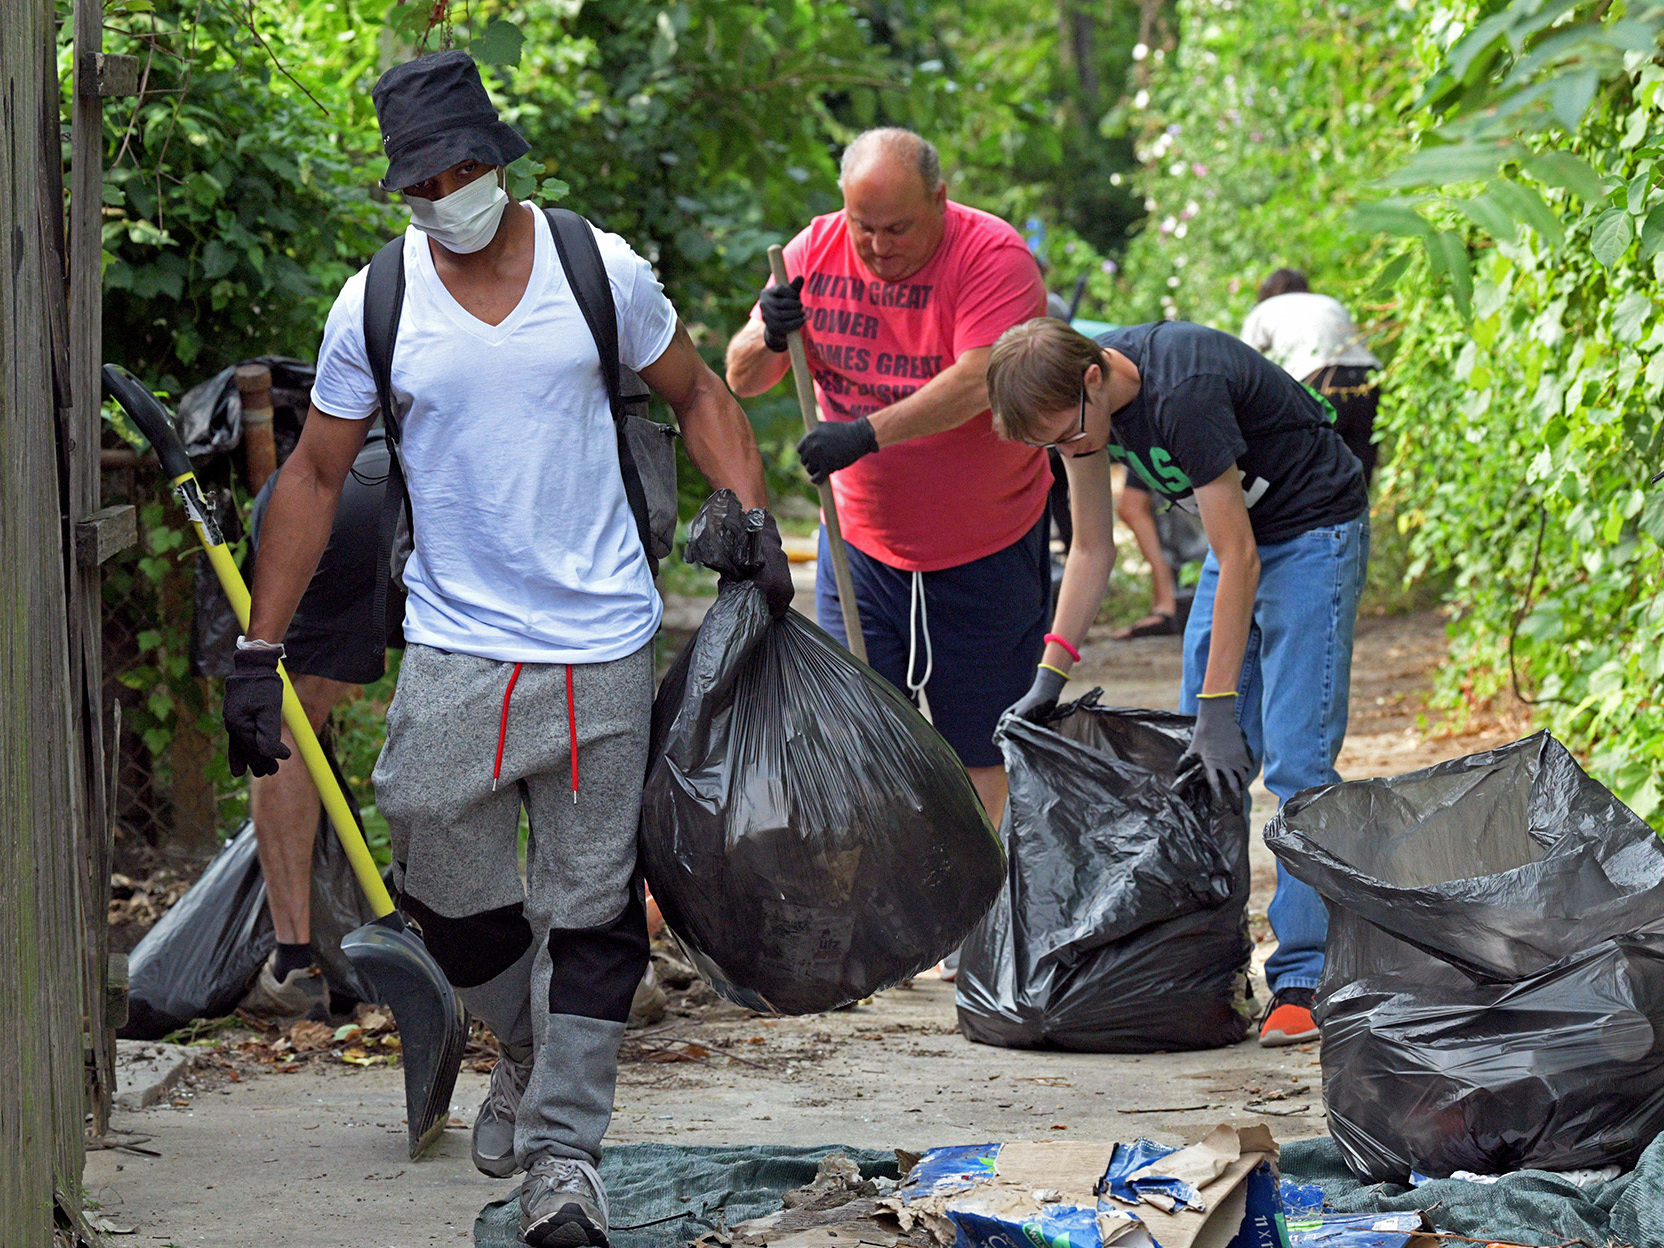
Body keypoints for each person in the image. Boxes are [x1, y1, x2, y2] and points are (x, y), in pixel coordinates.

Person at [221, 51, 792, 1248]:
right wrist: (257, 644)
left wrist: (747, 518)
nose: (451, 188)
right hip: (457, 643)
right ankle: (523, 1044)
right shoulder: (375, 302)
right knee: (440, 874)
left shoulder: (597, 266)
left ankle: (564, 1155)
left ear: (498, 157)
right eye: (426, 177)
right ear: (402, 191)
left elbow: (696, 394)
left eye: (467, 164)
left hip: (599, 645)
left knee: (591, 910)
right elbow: (317, 473)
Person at [985, 316, 1369, 1049]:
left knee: (1296, 760)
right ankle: (1210, 965)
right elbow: (1093, 547)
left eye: (1065, 433)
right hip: (1244, 542)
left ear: (1095, 378)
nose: (1065, 450)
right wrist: (1050, 671)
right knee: (1202, 763)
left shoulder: (1182, 392)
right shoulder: (1077, 410)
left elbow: (1242, 556)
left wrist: (1219, 705)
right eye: (1046, 444)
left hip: (1312, 532)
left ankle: (1303, 979)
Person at [724, 128, 1049, 823]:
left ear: (939, 198)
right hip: (860, 549)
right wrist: (770, 334)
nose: (877, 245)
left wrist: (865, 434)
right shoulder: (810, 251)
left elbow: (982, 381)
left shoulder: (993, 255)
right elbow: (741, 376)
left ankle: (976, 907)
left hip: (986, 544)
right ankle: (899, 905)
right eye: (862, 226)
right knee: (866, 740)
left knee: (982, 750)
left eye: (897, 227)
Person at [237, 431, 402, 1021]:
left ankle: (293, 965)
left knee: (294, 711)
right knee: (522, 695)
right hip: (449, 491)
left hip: (336, 494)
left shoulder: (363, 347)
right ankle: (590, 964)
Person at [1241, 268, 1382, 486]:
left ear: (1267, 293)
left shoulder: (1263, 310)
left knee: (1315, 472)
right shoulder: (1329, 302)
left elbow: (1245, 367)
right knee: (1359, 474)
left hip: (1320, 379)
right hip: (1367, 378)